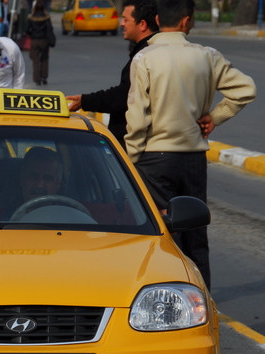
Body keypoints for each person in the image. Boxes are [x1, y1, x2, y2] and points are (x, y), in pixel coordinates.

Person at [124, 0, 256, 290]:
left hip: (154, 160)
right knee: (195, 234)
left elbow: (137, 117)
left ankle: (169, 299)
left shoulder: (145, 58)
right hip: (193, 158)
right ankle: (202, 298)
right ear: (187, 22)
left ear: (158, 19)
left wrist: (130, 159)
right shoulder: (207, 56)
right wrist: (215, 116)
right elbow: (246, 89)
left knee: (162, 235)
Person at [66, 0, 158, 148]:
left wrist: (85, 101)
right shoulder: (147, 50)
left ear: (142, 24)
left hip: (138, 144)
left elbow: (123, 96)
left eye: (126, 20)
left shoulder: (145, 56)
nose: (121, 24)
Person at [25, 1, 54, 86]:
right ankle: (44, 77)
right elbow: (50, 29)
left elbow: (26, 30)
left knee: (35, 61)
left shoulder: (31, 17)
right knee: (44, 59)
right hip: (44, 40)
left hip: (34, 41)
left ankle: (37, 79)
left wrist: (32, 35)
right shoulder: (46, 17)